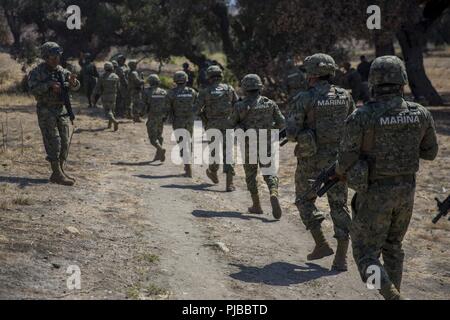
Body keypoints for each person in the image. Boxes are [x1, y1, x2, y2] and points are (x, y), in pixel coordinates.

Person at [335, 56, 438, 299]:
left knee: (364, 253)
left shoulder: (362, 116)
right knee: (393, 247)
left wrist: (340, 173)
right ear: (402, 80)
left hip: (374, 192)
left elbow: (345, 159)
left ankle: (390, 294)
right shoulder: (420, 113)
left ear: (373, 82)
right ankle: (394, 293)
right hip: (406, 190)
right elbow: (431, 153)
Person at [286, 53, 354, 271]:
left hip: (310, 161)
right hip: (339, 161)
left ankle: (321, 244)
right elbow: (353, 126)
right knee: (339, 205)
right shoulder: (345, 96)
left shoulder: (304, 98)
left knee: (304, 200)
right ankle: (341, 258)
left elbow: (292, 133)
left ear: (311, 74)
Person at [230, 74, 285, 219]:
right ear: (260, 87)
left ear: (244, 88)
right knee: (269, 172)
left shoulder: (239, 106)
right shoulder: (270, 103)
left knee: (250, 176)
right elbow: (282, 123)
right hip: (266, 144)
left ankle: (257, 205)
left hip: (248, 146)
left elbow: (230, 125)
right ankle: (273, 192)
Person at [28, 42, 80, 186]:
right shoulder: (37, 72)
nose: (56, 58)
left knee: (64, 142)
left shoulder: (62, 71)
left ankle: (60, 171)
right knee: (54, 142)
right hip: (46, 111)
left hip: (61, 110)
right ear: (46, 56)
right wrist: (49, 86)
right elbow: (32, 89)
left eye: (58, 55)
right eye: (53, 56)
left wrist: (73, 82)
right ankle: (56, 173)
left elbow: (76, 86)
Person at [196, 65, 239, 192]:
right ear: (220, 76)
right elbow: (237, 105)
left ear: (209, 77)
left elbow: (197, 109)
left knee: (214, 151)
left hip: (212, 125)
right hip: (228, 123)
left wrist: (205, 120)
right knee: (229, 152)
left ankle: (213, 171)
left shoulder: (205, 91)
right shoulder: (229, 89)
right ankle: (229, 184)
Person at [167, 71, 198, 177]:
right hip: (190, 120)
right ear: (186, 80)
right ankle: (187, 164)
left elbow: (168, 107)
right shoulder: (192, 91)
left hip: (178, 120)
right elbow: (196, 105)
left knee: (182, 143)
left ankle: (188, 167)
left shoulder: (171, 93)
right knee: (188, 141)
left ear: (175, 80)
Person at [143, 74, 169, 162]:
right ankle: (158, 155)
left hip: (152, 116)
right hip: (161, 117)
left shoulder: (147, 91)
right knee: (159, 136)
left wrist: (140, 113)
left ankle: (160, 150)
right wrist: (166, 116)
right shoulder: (164, 92)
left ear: (150, 82)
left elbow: (144, 104)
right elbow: (167, 105)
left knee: (152, 138)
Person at [92, 62, 119, 131]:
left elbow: (97, 87)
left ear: (105, 68)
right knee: (112, 110)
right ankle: (110, 125)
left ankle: (114, 121)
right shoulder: (115, 76)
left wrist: (93, 95)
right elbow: (118, 87)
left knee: (107, 111)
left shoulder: (102, 77)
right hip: (113, 95)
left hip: (105, 95)